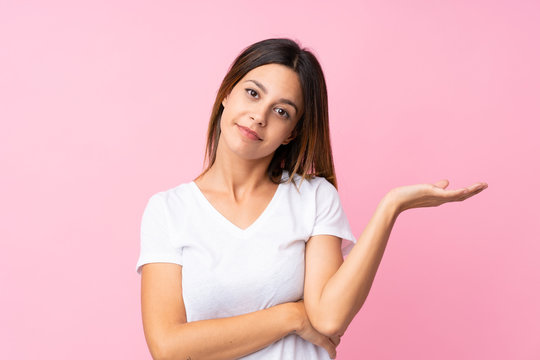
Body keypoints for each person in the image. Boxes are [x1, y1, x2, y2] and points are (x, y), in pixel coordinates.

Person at [135, 38, 488, 360]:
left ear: (291, 134)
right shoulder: (168, 211)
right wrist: (289, 316)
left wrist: (391, 207)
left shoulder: (314, 197)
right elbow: (168, 348)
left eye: (282, 111)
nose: (259, 117)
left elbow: (329, 317)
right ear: (227, 93)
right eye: (253, 93)